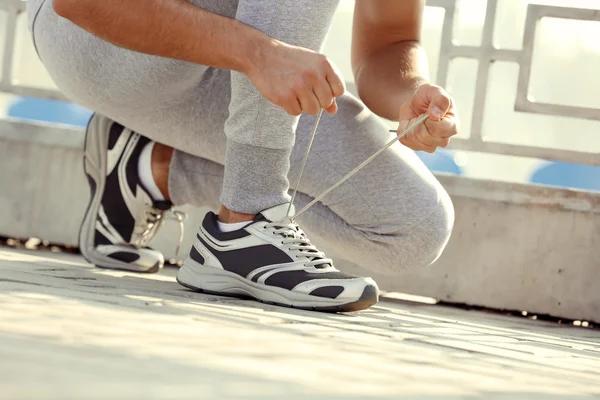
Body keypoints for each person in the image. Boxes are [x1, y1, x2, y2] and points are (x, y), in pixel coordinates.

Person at [27, 0, 458, 312]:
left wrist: (411, 91)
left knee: (414, 227)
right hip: (104, 46)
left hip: (233, 69)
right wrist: (259, 54)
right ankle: (247, 218)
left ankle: (149, 166)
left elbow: (390, 38)